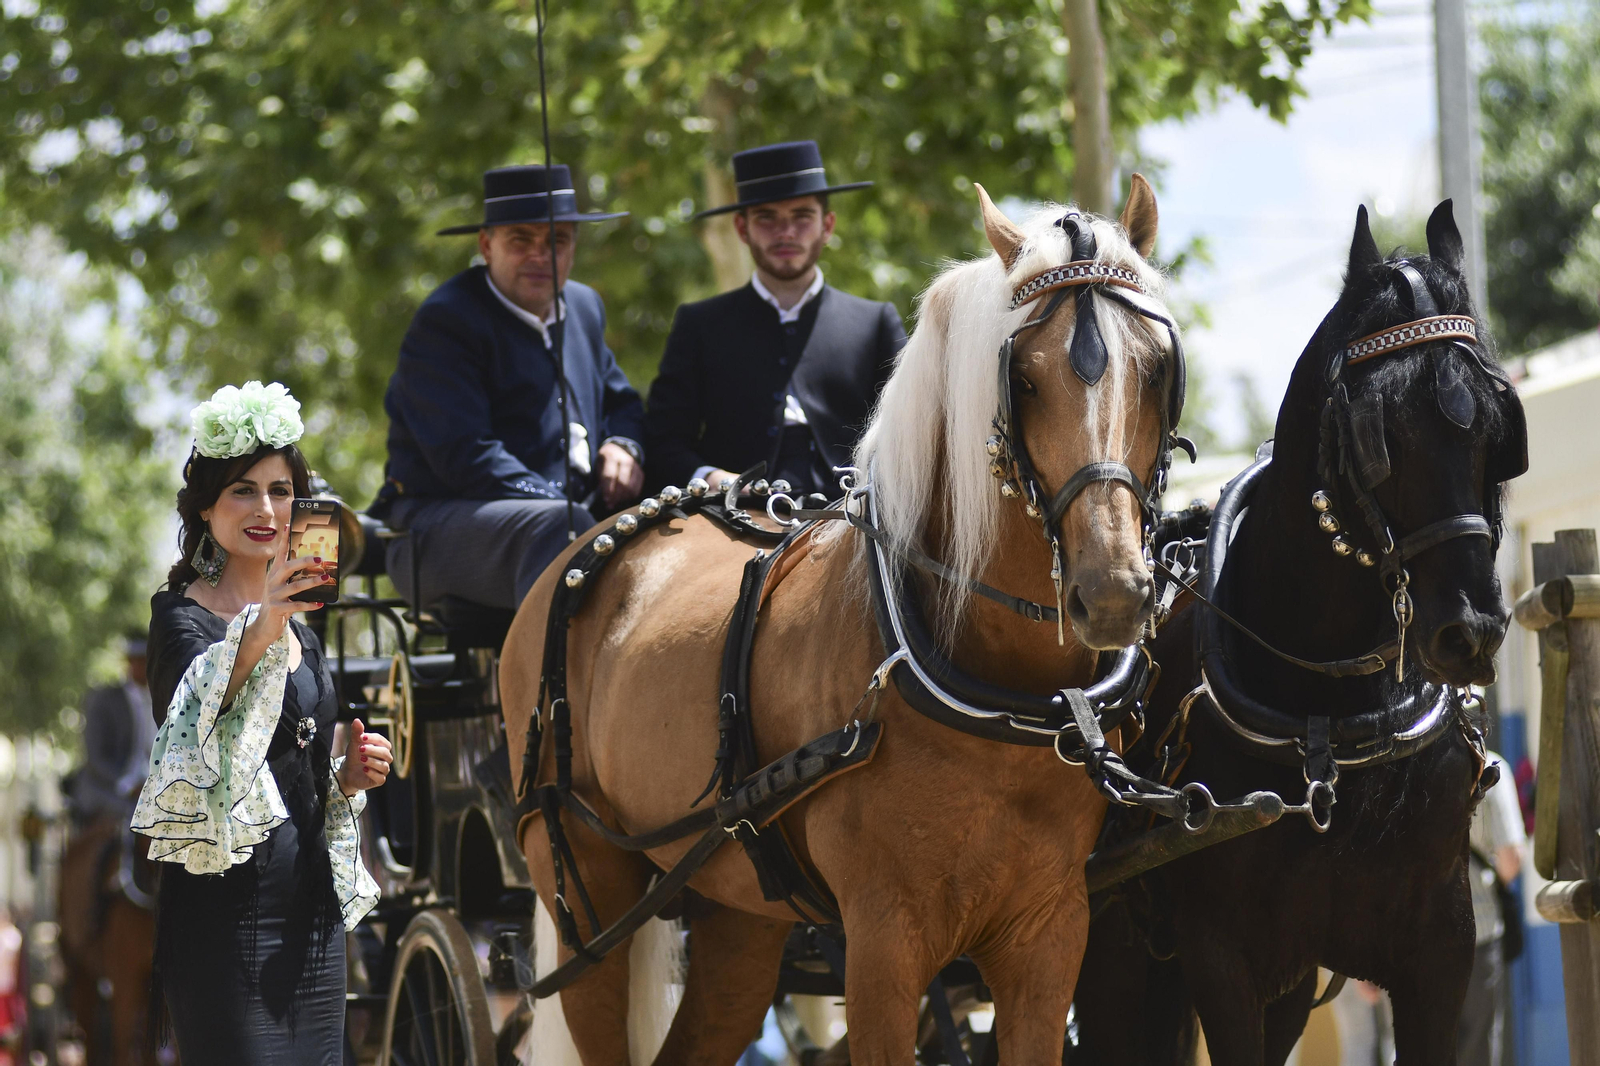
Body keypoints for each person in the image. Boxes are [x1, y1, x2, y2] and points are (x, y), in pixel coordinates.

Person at [132, 381, 389, 1064]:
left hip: (313, 922)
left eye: (281, 490)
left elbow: (293, 765)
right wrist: (266, 619)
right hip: (221, 922)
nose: (266, 509)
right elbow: (194, 717)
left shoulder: (305, 627)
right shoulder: (179, 617)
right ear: (206, 506)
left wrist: (347, 776)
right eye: (243, 490)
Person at [372, 163, 646, 611]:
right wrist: (567, 507)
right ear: (487, 245)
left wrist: (623, 445)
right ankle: (556, 662)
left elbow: (623, 403)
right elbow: (466, 456)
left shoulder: (584, 306)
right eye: (521, 240)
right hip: (437, 528)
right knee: (561, 526)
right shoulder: (447, 320)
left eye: (556, 241)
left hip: (574, 514)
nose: (540, 256)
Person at [645, 140, 906, 497]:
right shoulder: (699, 325)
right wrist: (716, 480)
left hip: (855, 510)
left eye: (802, 216)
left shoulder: (875, 323)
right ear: (742, 228)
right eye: (767, 218)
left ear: (827, 225)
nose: (786, 232)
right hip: (730, 514)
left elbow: (909, 430)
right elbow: (663, 440)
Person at [1459, 751, 1527, 1066]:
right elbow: (1511, 859)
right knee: (1477, 1047)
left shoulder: (1411, 760)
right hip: (1478, 928)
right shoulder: (1491, 767)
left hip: (1414, 935)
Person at [66, 637, 156, 828]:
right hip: (109, 788)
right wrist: (129, 785)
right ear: (129, 662)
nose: (145, 666)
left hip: (155, 787)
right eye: (139, 660)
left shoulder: (166, 697)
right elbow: (95, 758)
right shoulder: (105, 700)